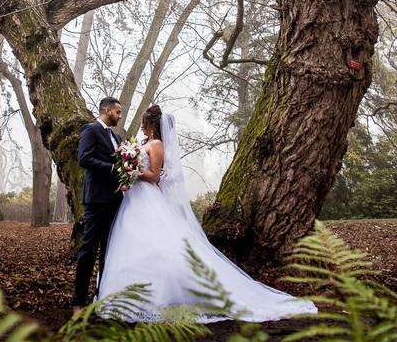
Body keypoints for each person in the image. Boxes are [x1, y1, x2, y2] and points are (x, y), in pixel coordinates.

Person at [96, 104, 317, 322]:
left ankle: (168, 294)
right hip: (134, 198)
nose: (142, 127)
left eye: (144, 123)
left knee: (158, 245)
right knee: (134, 243)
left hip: (147, 196)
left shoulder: (157, 145)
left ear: (151, 124)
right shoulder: (144, 143)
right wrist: (128, 167)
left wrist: (133, 170)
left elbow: (154, 176)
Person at [71, 96, 124, 313]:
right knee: (88, 250)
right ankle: (78, 302)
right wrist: (112, 169)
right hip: (96, 200)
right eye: (117, 112)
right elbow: (84, 158)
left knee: (108, 251)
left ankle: (100, 297)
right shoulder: (90, 130)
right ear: (106, 110)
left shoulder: (117, 137)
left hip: (116, 200)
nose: (119, 116)